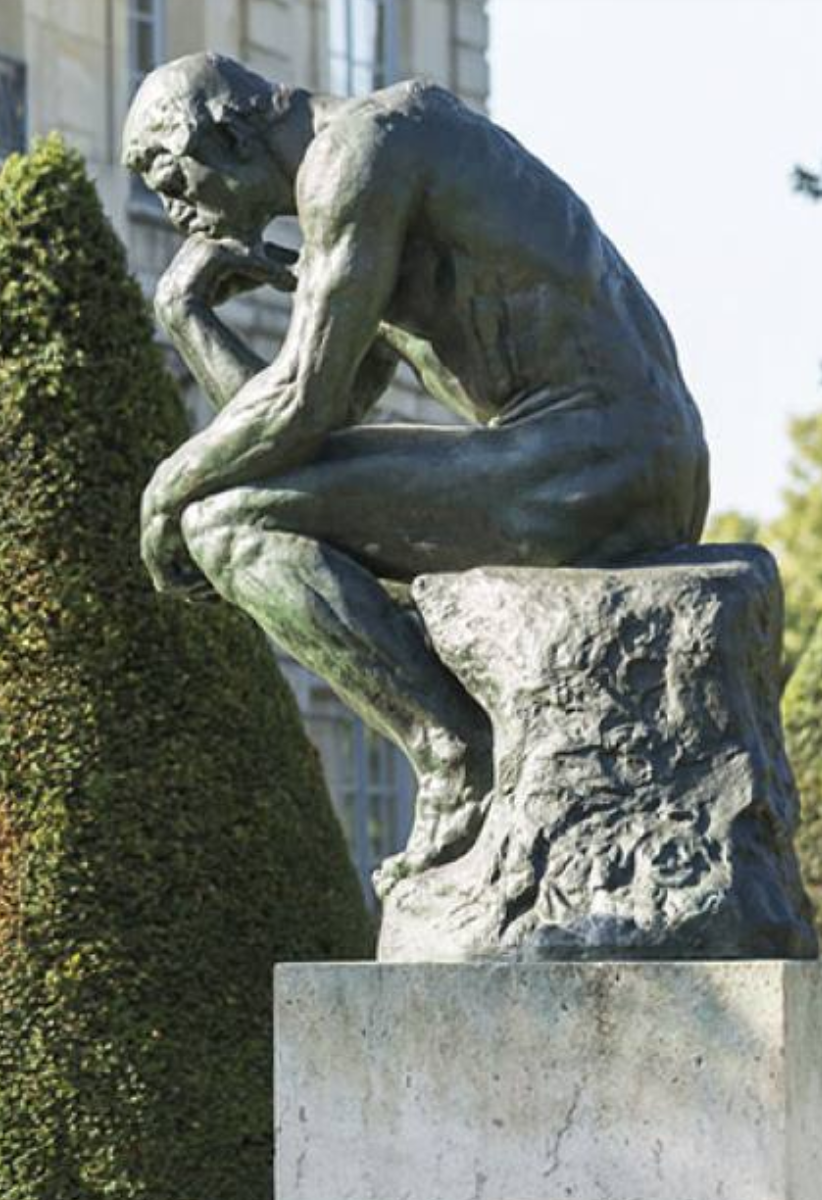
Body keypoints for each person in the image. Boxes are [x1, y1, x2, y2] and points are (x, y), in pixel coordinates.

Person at [124, 53, 710, 883]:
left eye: (169, 177)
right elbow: (307, 430)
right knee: (233, 512)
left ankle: (454, 754)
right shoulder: (351, 186)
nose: (176, 210)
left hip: (601, 459)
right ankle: (460, 746)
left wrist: (164, 492)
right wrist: (186, 317)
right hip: (595, 458)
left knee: (220, 521)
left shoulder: (359, 155)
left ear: (222, 132)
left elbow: (302, 402)